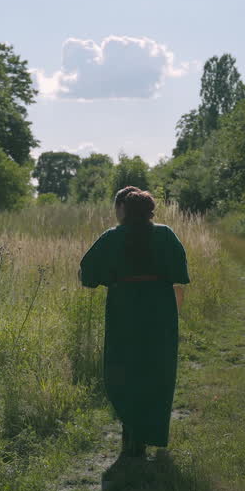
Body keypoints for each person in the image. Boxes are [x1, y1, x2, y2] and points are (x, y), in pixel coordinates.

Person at [79, 186, 189, 461]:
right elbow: (179, 274)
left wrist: (111, 277)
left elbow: (88, 275)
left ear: (123, 210)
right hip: (160, 311)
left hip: (124, 310)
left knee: (123, 369)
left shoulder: (112, 237)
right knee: (156, 371)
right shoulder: (165, 235)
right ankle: (146, 432)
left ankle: (131, 431)